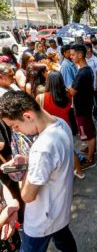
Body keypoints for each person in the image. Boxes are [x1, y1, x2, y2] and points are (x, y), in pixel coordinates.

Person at [0, 91, 77, 252]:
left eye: (15, 126)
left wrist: (29, 165)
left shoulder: (41, 148)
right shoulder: (61, 123)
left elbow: (27, 195)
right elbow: (56, 161)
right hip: (59, 211)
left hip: (41, 220)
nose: (18, 131)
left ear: (28, 116)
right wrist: (28, 161)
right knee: (63, 239)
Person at [36, 71, 86, 179]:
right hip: (65, 127)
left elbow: (38, 115)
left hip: (49, 130)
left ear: (48, 82)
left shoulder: (41, 98)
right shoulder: (68, 95)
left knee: (52, 153)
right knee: (70, 150)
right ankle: (79, 171)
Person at [69, 44, 96, 167]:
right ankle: (91, 149)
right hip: (86, 104)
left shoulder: (82, 73)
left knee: (88, 134)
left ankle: (90, 159)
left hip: (82, 107)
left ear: (80, 55)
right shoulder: (87, 69)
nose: (71, 57)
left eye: (73, 54)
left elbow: (72, 91)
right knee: (89, 130)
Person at [85, 43, 97, 125]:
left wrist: (96, 84)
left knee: (95, 103)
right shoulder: (83, 59)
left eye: (86, 48)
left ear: (90, 49)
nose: (86, 50)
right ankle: (88, 118)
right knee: (87, 103)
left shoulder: (96, 60)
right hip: (85, 86)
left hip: (93, 85)